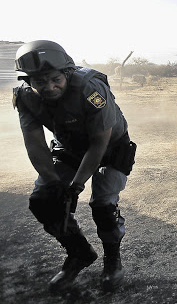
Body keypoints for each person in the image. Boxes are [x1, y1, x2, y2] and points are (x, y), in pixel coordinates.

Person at [12, 40, 136, 292]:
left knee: (103, 207)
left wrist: (76, 186)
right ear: (28, 81)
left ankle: (112, 260)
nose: (49, 87)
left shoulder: (91, 88)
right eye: (39, 82)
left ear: (66, 72)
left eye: (55, 79)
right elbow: (35, 144)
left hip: (110, 149)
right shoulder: (25, 96)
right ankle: (78, 253)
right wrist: (54, 182)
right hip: (68, 148)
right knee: (45, 201)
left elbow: (98, 143)